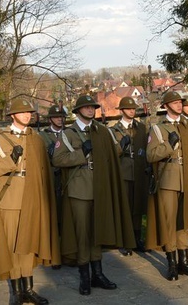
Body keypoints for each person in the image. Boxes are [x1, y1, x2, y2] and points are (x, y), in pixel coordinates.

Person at [52, 94, 135, 296]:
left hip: (99, 188)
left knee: (97, 232)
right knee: (82, 235)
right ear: (78, 110)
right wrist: (83, 154)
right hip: (79, 190)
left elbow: (110, 154)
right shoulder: (68, 134)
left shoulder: (101, 130)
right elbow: (58, 159)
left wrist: (119, 148)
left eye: (93, 107)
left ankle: (98, 274)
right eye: (87, 107)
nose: (91, 110)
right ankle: (84, 277)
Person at [0, 97, 60, 305]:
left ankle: (29, 289)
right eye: (23, 112)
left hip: (32, 196)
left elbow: (44, 169)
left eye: (29, 113)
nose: (27, 115)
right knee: (12, 246)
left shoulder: (36, 138)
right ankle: (17, 292)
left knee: (28, 244)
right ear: (13, 115)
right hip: (10, 199)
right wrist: (10, 161)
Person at [145, 90, 188, 281]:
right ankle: (172, 264)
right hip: (168, 180)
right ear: (166, 106)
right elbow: (150, 155)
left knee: (184, 221)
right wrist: (169, 146)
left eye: (180, 102)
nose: (179, 105)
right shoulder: (158, 129)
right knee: (169, 222)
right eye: (174, 102)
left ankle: (184, 262)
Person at [109, 96, 149, 254]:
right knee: (124, 207)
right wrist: (121, 146)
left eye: (133, 108)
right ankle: (125, 240)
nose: (132, 111)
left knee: (137, 206)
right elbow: (111, 153)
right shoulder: (113, 131)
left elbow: (146, 148)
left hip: (139, 169)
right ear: (122, 110)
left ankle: (137, 238)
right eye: (128, 108)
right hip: (123, 171)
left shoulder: (141, 128)